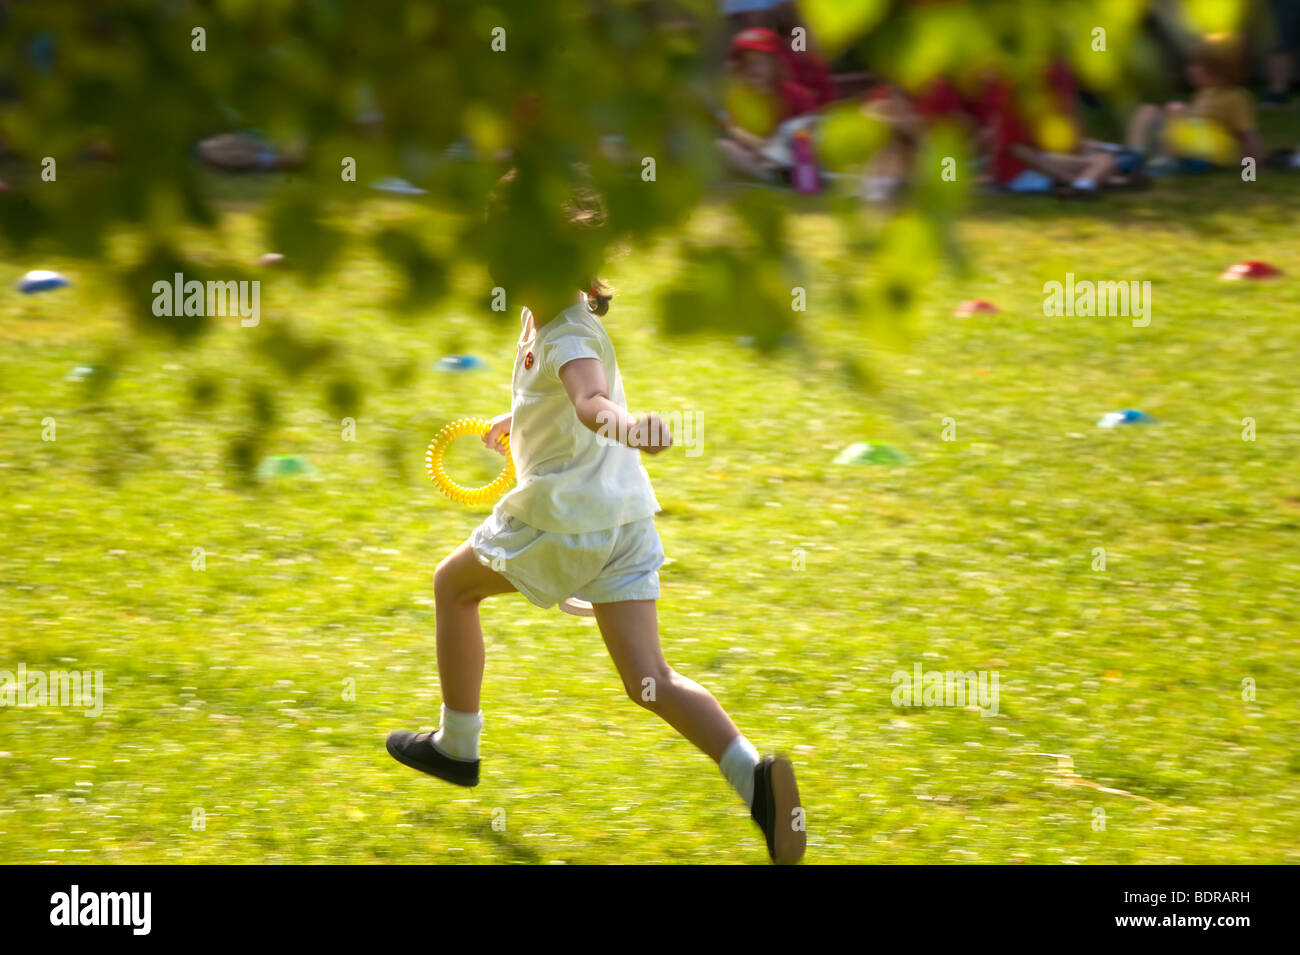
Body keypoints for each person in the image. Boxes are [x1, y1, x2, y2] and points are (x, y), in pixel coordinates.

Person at [385, 169, 807, 865]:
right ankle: (755, 780)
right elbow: (561, 401)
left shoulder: (567, 336)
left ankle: (457, 746)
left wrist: (626, 422)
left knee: (451, 587)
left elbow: (589, 401)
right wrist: (517, 420)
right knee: (651, 678)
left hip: (565, 517)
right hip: (625, 519)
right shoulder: (546, 318)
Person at [1125, 33, 1263, 172]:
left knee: (1176, 109)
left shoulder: (1236, 97)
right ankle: (1135, 154)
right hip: (1191, 146)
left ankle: (1167, 161)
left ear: (1218, 70)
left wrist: (1253, 164)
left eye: (1196, 65)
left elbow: (1248, 134)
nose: (1189, 70)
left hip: (1209, 153)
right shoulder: (1203, 94)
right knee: (1147, 110)